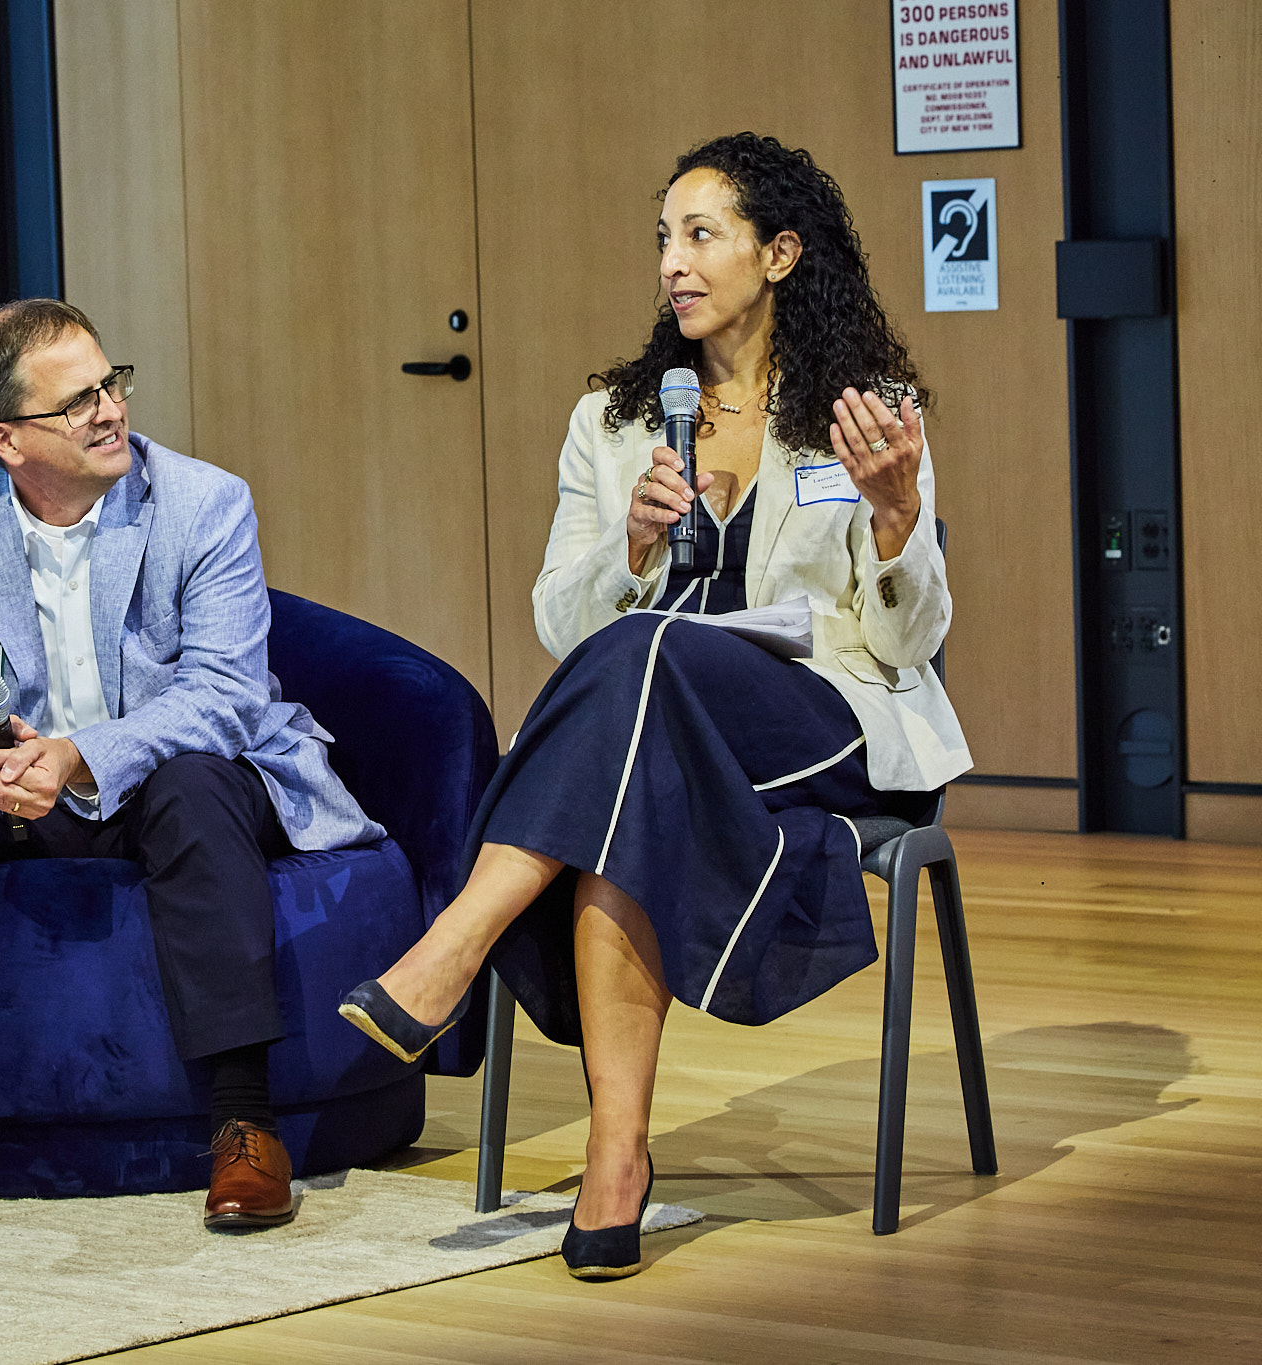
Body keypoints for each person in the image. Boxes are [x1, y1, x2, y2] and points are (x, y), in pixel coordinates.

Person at [339, 133, 971, 1280]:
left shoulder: (864, 413)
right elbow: (558, 620)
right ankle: (613, 1164)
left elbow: (903, 642)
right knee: (630, 738)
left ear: (779, 253)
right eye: (662, 239)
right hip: (650, 729)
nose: (672, 263)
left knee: (642, 663)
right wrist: (629, 547)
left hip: (819, 717)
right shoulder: (615, 419)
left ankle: (452, 944)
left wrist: (892, 520)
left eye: (700, 235)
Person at [0, 299, 381, 1236]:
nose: (111, 410)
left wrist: (83, 755)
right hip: (26, 788)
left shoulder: (203, 502)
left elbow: (225, 694)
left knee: (195, 784)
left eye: (110, 383)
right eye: (78, 401)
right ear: (5, 439)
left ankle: (246, 1125)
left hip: (178, 768)